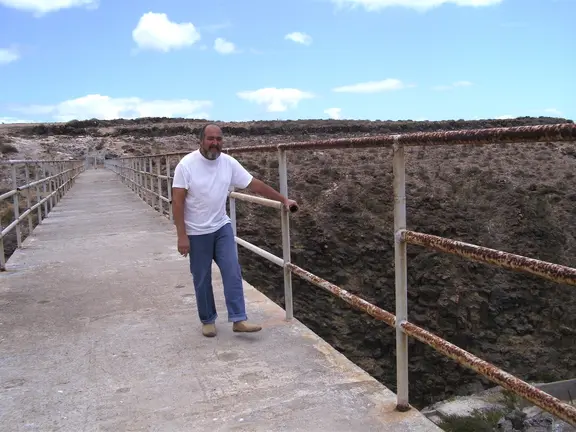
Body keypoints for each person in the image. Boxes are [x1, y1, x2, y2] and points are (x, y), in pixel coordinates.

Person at [171, 123, 299, 338]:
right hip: (196, 231)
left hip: (221, 226)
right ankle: (208, 320)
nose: (215, 144)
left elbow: (254, 184)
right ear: (201, 141)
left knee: (232, 271)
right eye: (210, 139)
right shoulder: (186, 165)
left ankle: (239, 319)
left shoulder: (228, 163)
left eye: (219, 139)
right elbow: (177, 201)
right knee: (201, 277)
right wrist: (182, 236)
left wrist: (283, 199)